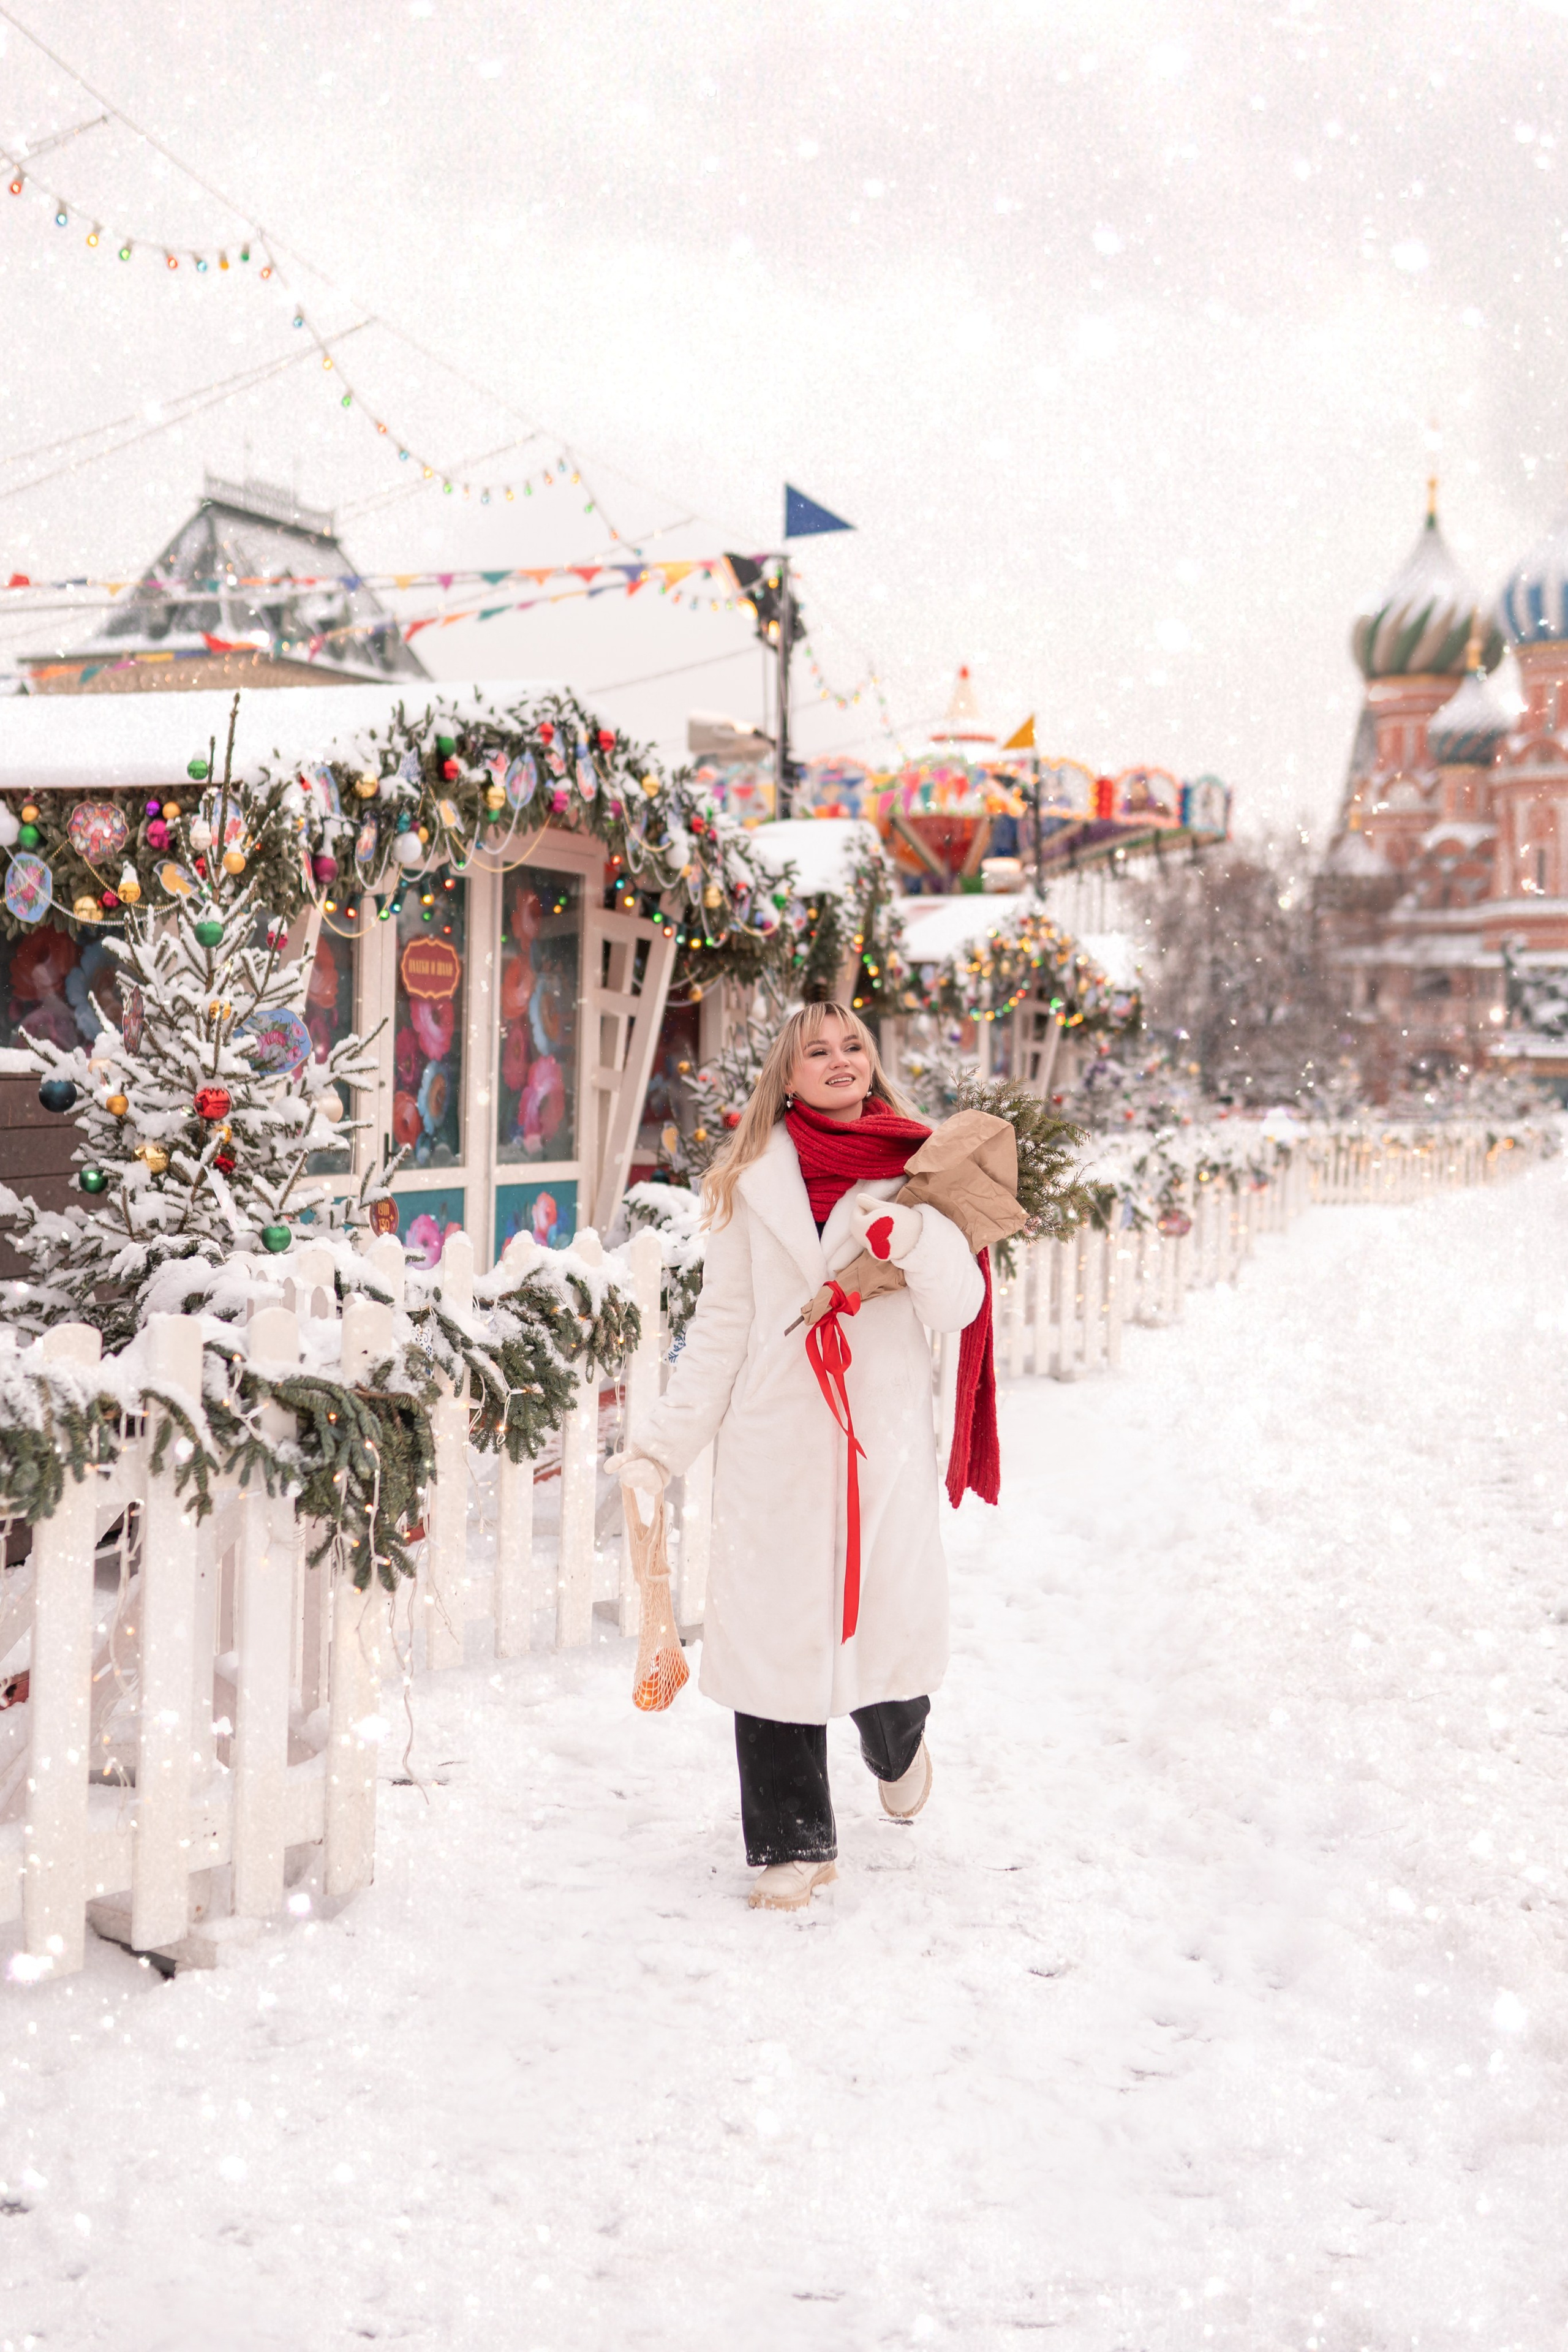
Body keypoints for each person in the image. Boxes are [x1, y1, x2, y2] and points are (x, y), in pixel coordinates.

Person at [612, 1001, 990, 1911]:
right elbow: (722, 1328)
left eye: (852, 1044)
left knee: (883, 1637)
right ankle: (794, 1842)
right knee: (775, 1633)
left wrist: (921, 1238)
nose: (838, 1060)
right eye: (815, 1051)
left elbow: (962, 1305)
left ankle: (898, 1746)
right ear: (788, 1076)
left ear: (872, 1060)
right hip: (774, 1443)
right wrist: (661, 1449)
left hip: (878, 1447)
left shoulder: (922, 1170)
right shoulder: (752, 1184)